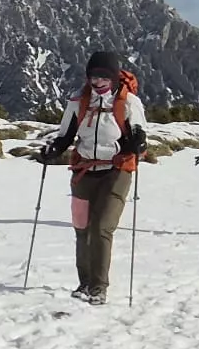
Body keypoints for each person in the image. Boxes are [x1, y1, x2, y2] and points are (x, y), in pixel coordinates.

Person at [39, 50, 147, 305]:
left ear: (113, 77)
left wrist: (137, 144)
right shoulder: (79, 103)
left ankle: (99, 286)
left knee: (101, 228)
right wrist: (52, 150)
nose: (97, 83)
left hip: (117, 170)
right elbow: (65, 135)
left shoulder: (129, 103)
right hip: (84, 170)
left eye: (102, 78)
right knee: (82, 229)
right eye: (92, 78)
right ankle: (85, 282)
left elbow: (141, 136)